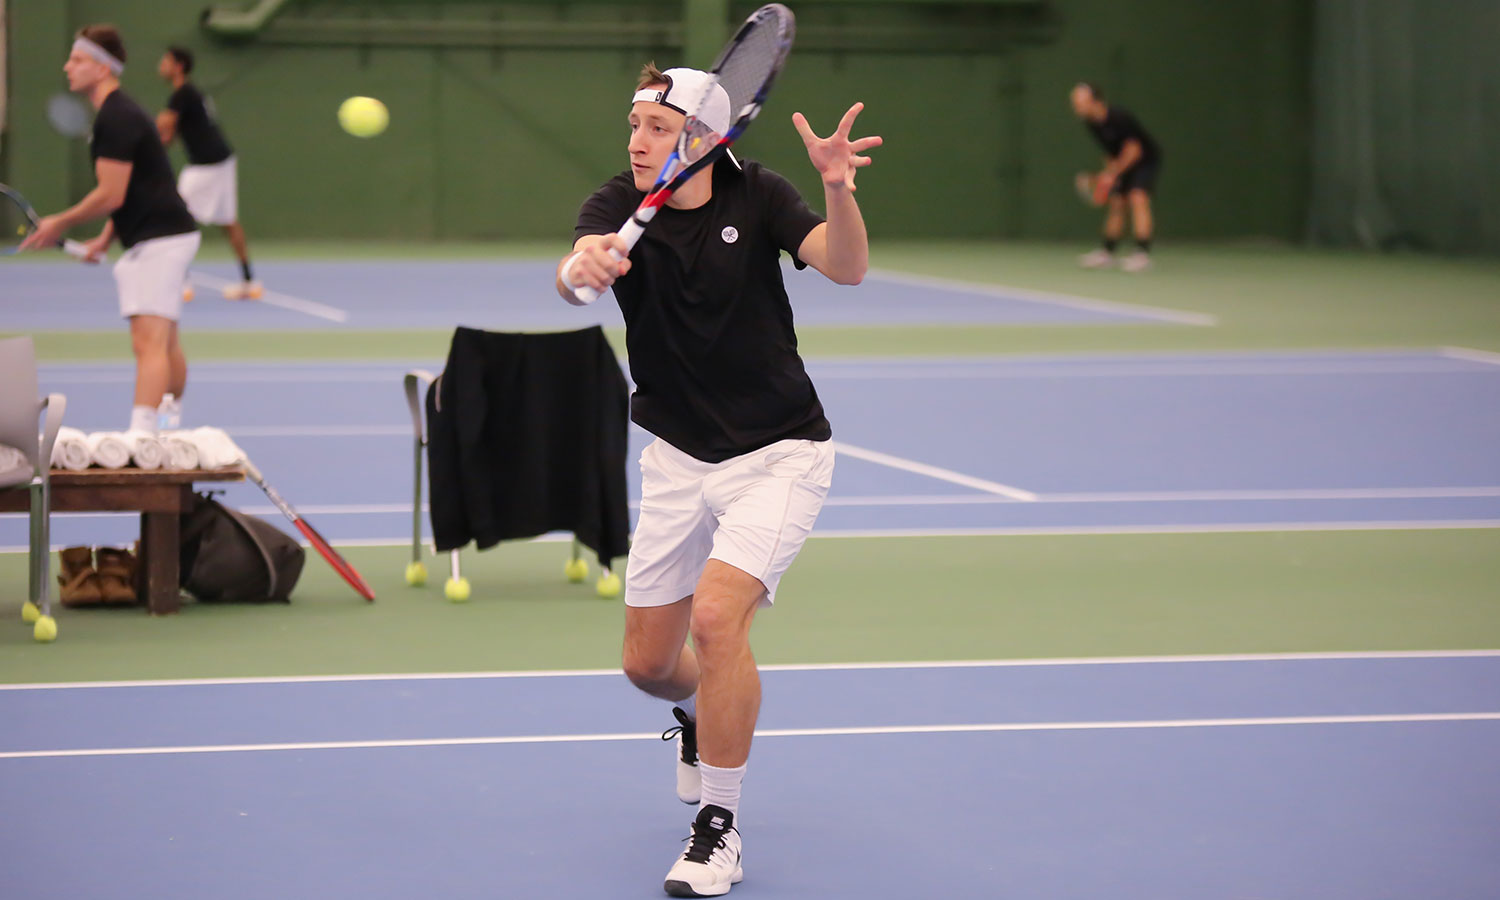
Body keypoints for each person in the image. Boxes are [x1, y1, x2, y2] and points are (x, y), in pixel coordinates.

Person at [557, 64, 880, 897]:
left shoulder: (760, 194)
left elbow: (845, 268)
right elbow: (578, 265)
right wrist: (582, 269)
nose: (637, 140)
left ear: (706, 137)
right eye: (633, 122)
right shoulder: (613, 205)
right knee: (647, 665)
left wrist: (837, 189)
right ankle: (705, 719)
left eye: (658, 128)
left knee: (715, 619)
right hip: (675, 457)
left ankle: (719, 828)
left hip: (779, 453)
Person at [21, 24, 201, 434]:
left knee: (148, 342)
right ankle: (170, 425)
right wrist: (104, 239)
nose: (68, 67)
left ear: (102, 69)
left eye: (78, 59)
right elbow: (140, 185)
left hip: (160, 239)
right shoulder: (120, 112)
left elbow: (111, 194)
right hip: (167, 232)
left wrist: (58, 223)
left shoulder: (115, 118)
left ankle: (142, 435)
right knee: (166, 340)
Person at [156, 44, 260, 300]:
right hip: (222, 160)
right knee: (228, 221)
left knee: (173, 216)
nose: (161, 65)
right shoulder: (191, 94)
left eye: (166, 60)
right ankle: (249, 282)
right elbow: (169, 135)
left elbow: (164, 131)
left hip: (206, 166)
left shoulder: (181, 95)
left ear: (178, 66)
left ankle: (182, 285)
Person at [1071, 82, 1162, 272]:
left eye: (1079, 102)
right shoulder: (1091, 122)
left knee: (1138, 198)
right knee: (1117, 203)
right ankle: (1107, 253)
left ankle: (1141, 255)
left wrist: (1113, 173)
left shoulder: (1119, 117)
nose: (1075, 107)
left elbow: (1134, 150)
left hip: (1145, 160)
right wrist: (1109, 175)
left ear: (1095, 101)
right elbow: (1109, 152)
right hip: (1122, 162)